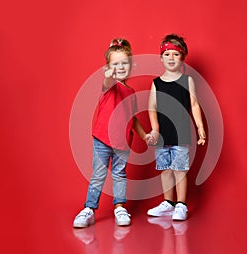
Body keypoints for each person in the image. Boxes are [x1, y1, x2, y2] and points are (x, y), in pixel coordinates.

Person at [73, 38, 153, 228]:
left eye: (125, 63)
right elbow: (107, 81)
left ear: (132, 65)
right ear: (109, 66)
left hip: (123, 142)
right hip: (102, 139)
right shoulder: (110, 86)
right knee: (98, 175)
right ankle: (89, 209)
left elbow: (132, 118)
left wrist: (144, 135)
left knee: (119, 174)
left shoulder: (131, 91)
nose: (121, 67)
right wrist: (109, 75)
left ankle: (119, 207)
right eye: (116, 64)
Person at [147, 34, 206, 221]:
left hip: (181, 134)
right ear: (161, 57)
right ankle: (168, 203)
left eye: (175, 54)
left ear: (182, 57)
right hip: (163, 136)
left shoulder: (187, 81)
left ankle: (181, 204)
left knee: (180, 170)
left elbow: (194, 105)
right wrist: (155, 129)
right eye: (167, 54)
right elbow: (152, 108)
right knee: (165, 169)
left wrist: (200, 127)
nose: (171, 58)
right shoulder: (156, 83)